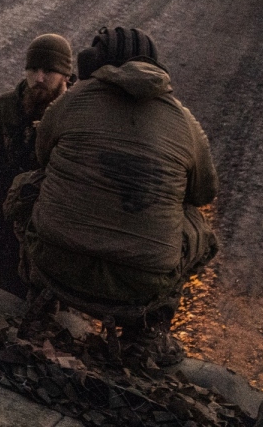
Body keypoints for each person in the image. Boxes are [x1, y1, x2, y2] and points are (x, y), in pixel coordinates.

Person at [22, 26, 218, 363]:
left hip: (57, 265)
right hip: (137, 285)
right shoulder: (185, 122)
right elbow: (204, 194)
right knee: (199, 227)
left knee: (27, 186)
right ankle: (147, 330)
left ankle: (41, 303)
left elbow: (43, 156)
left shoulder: (72, 100)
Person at [0, 33, 72, 298]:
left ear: (65, 75)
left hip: (49, 219)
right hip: (6, 212)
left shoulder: (74, 113)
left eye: (48, 71)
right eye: (33, 69)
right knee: (5, 285)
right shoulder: (5, 106)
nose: (39, 78)